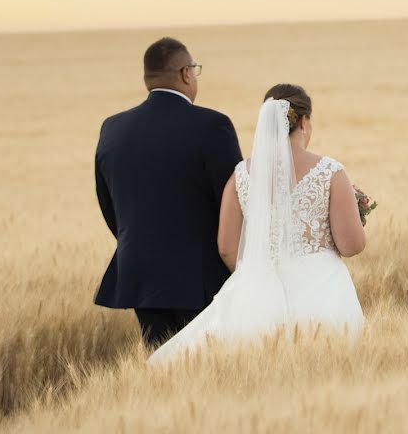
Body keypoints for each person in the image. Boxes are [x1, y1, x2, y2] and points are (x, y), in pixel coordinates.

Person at [147, 84, 366, 365]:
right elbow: (352, 245)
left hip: (256, 287)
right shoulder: (331, 172)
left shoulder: (240, 175)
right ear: (304, 122)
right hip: (323, 288)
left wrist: (255, 275)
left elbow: (227, 247)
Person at [94, 37, 242, 348]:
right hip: (202, 277)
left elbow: (110, 207)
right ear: (186, 73)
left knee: (160, 366)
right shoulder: (212, 126)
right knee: (210, 365)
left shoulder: (113, 127)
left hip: (139, 272)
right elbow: (237, 203)